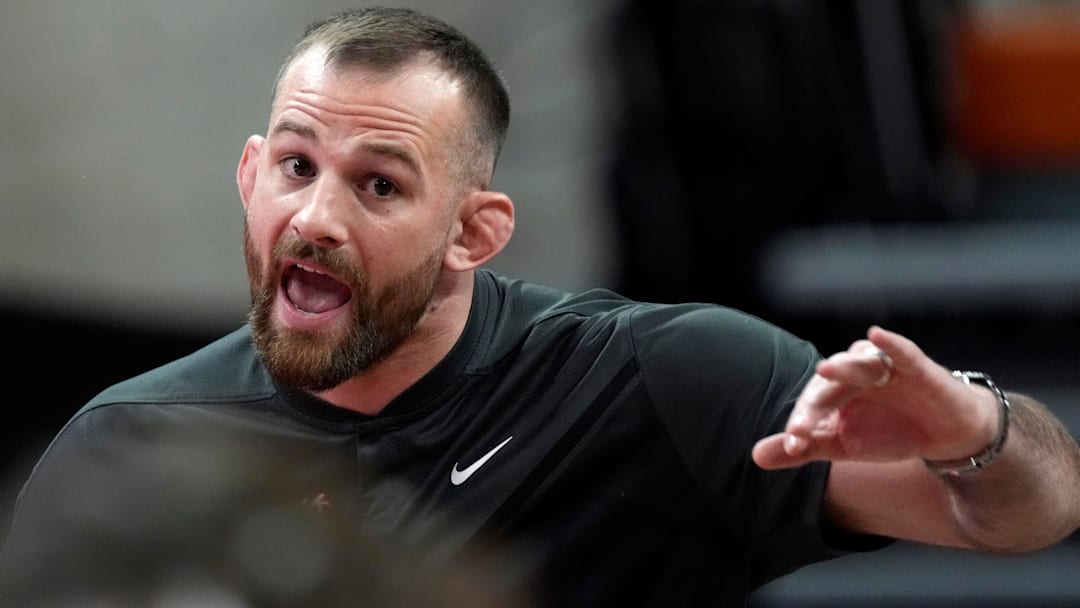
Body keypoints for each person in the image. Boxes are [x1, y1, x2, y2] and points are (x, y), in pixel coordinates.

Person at [3, 6, 1079, 607]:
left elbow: (1034, 510)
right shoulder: (123, 441)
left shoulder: (659, 377)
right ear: (247, 176)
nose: (317, 218)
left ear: (477, 229)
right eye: (293, 170)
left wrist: (978, 430)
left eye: (378, 184)